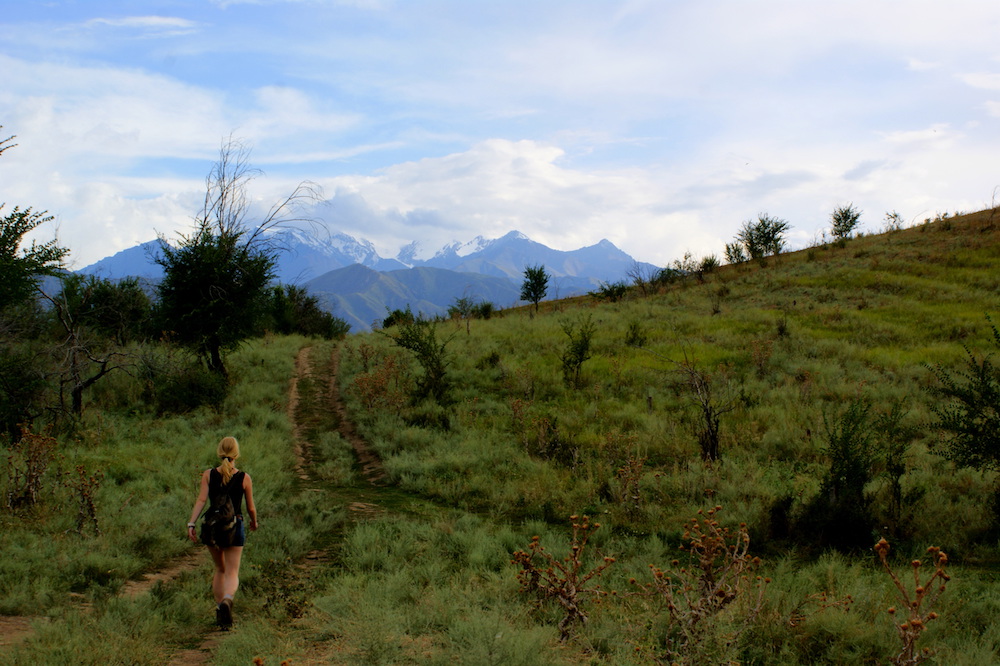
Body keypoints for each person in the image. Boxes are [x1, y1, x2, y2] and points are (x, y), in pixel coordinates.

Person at [187, 436, 258, 628]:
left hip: (212, 527)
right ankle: (227, 599)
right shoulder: (244, 477)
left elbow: (201, 501)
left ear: (219, 451)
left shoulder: (208, 474)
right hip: (235, 526)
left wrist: (191, 523)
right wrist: (254, 521)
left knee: (220, 569)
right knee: (232, 571)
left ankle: (220, 609)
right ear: (236, 453)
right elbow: (250, 507)